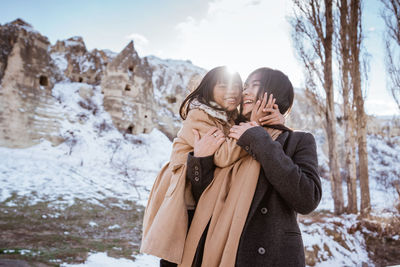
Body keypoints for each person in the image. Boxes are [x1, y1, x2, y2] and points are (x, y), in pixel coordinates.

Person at [140, 66, 283, 266]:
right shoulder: (200, 115)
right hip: (185, 194)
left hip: (208, 197)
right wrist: (256, 129)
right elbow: (223, 156)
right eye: (223, 86)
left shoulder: (229, 117)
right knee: (181, 254)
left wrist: (273, 121)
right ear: (209, 90)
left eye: (236, 86)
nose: (232, 92)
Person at [185, 67, 322, 266]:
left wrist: (260, 139)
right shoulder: (229, 136)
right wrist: (200, 160)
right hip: (216, 250)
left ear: (274, 93)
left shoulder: (298, 140)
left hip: (268, 256)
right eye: (245, 86)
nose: (244, 92)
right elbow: (204, 198)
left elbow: (307, 198)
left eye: (254, 86)